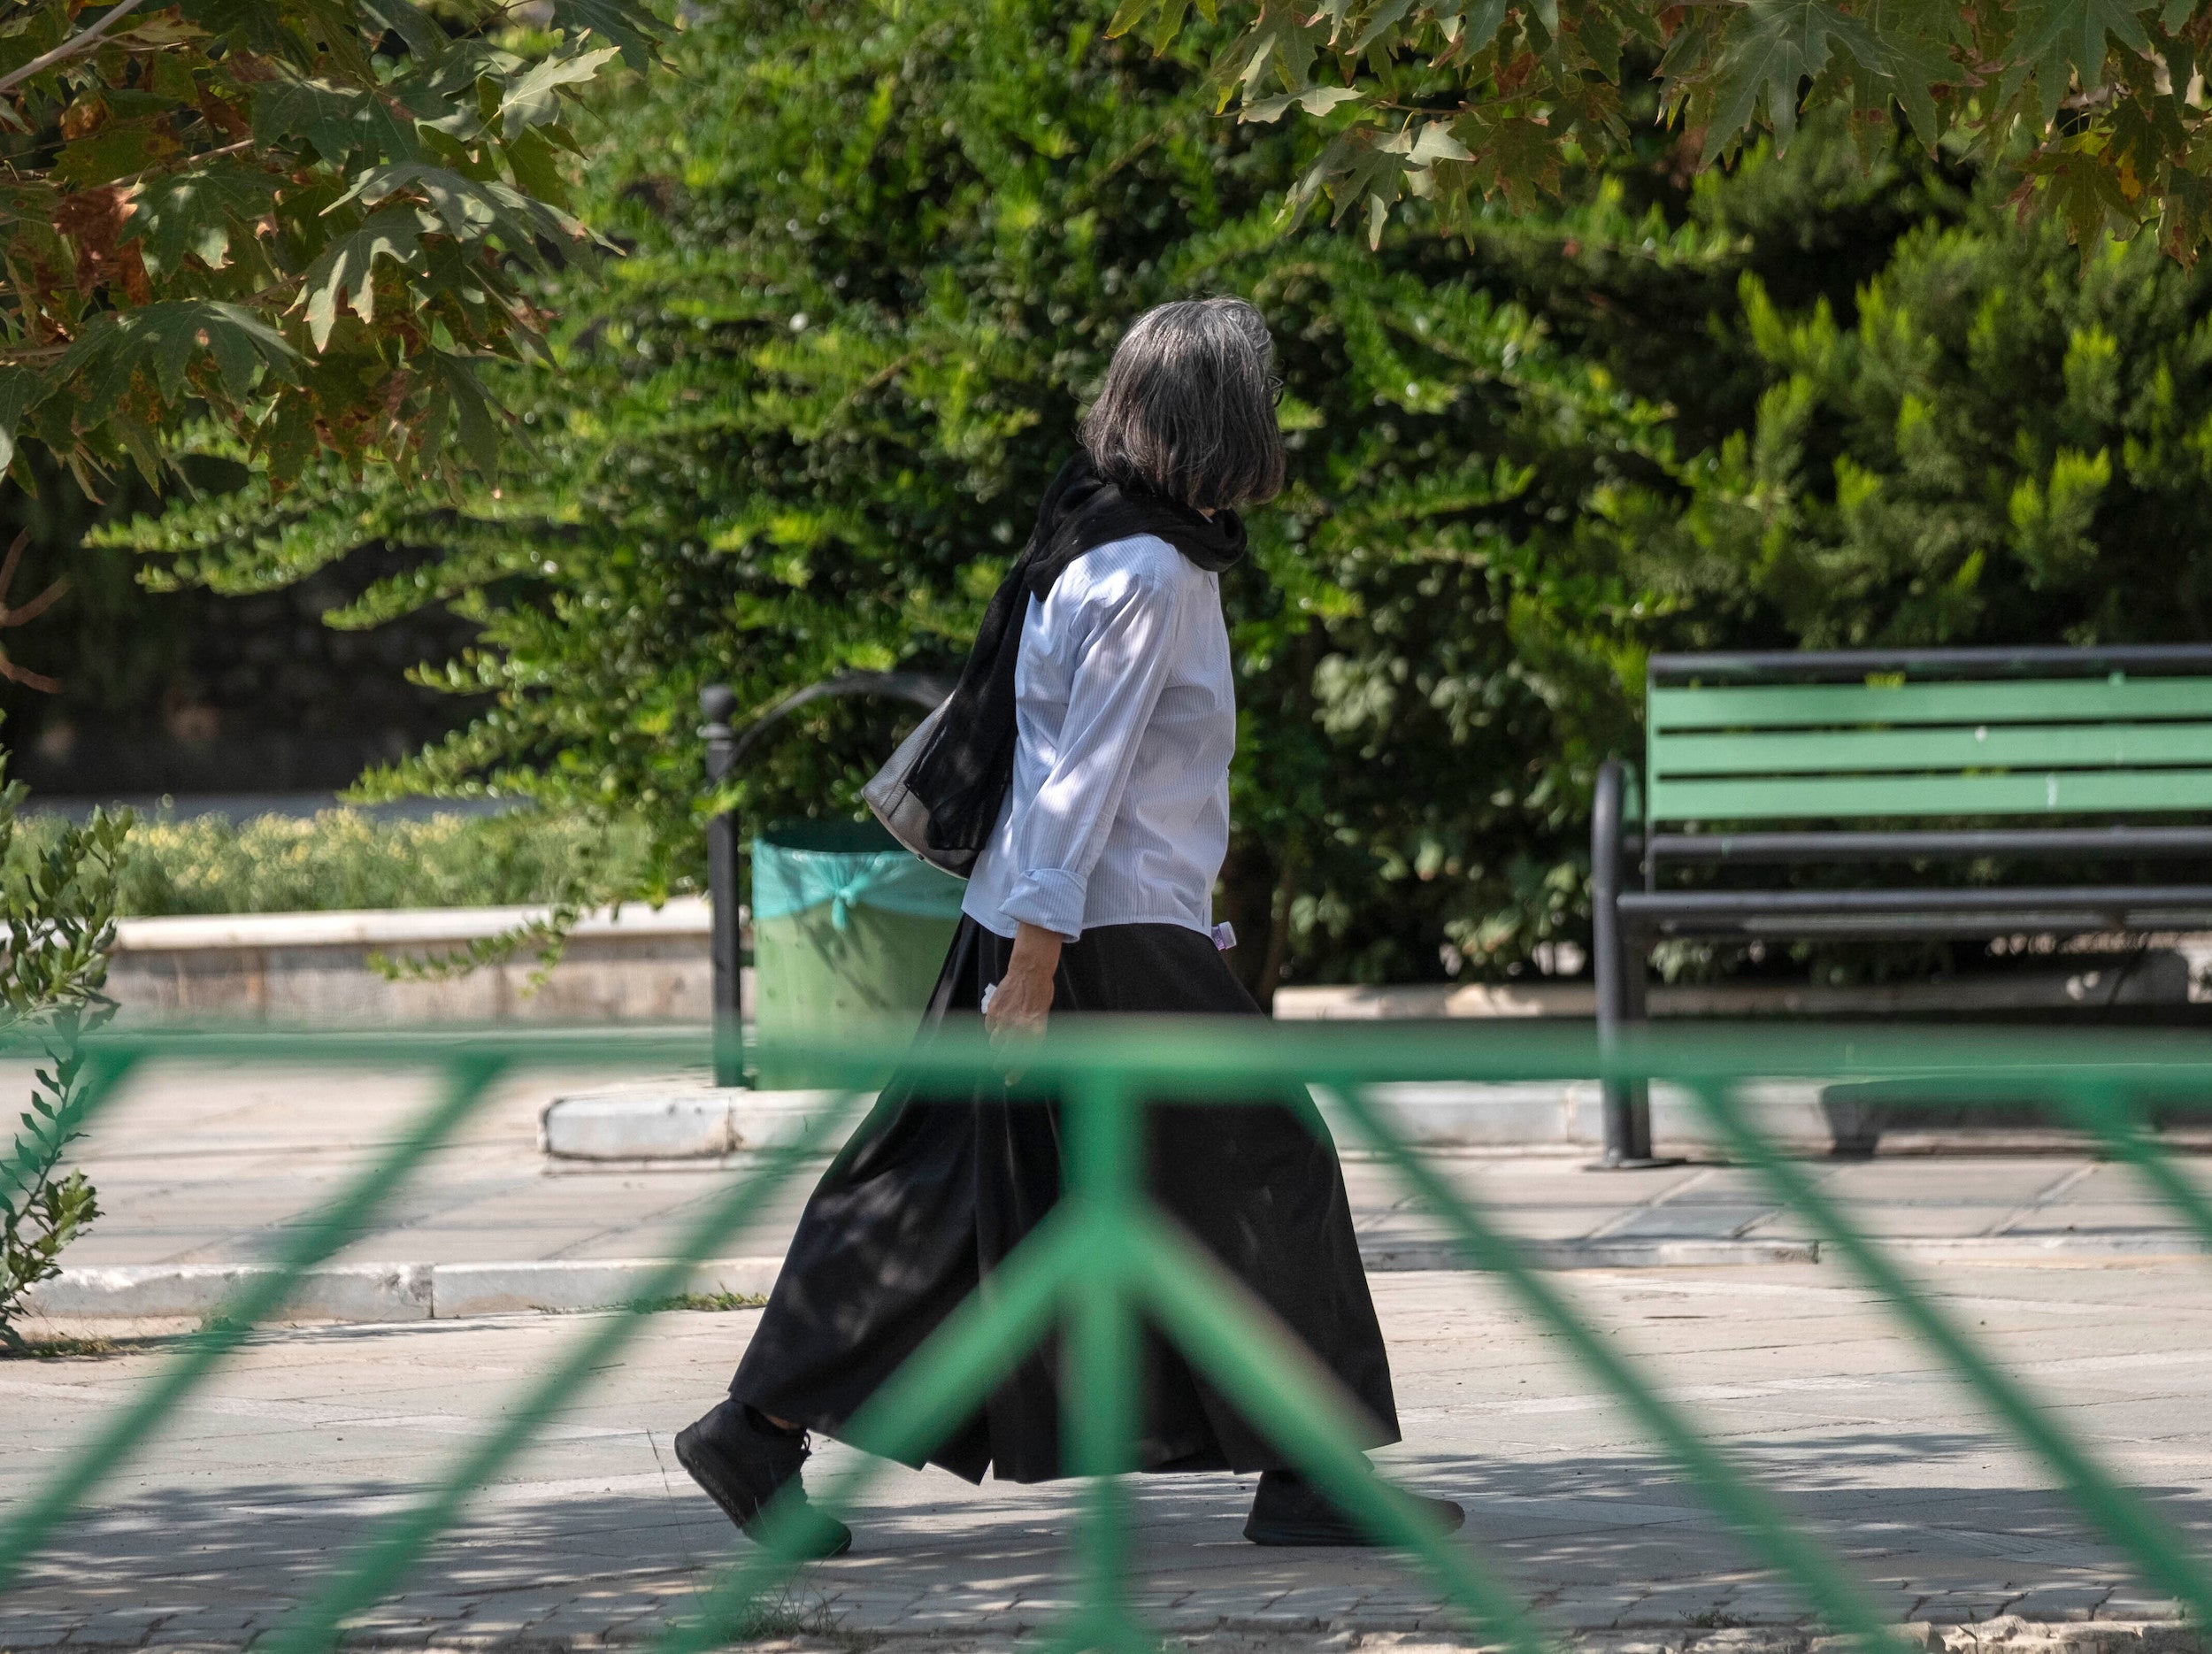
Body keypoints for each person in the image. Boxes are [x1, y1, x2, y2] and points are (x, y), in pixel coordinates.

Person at [673, 296, 1463, 1556]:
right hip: (1098, 930)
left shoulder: (1095, 539)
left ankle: (755, 1427)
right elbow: (1076, 777)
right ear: (1225, 421)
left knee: (940, 1189)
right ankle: (1312, 1474)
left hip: (1051, 921)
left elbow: (1060, 766)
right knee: (1273, 1163)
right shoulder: (1147, 570)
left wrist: (1028, 949)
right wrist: (1041, 964)